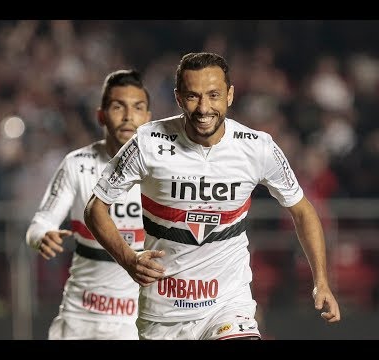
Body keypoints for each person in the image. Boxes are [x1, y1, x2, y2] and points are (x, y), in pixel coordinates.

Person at [83, 52, 341, 340]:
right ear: (178, 98)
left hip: (228, 306)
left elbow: (303, 210)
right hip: (164, 314)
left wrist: (321, 280)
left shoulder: (258, 147)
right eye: (193, 96)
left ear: (230, 95)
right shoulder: (147, 142)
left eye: (213, 95)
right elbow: (95, 208)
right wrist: (129, 259)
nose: (204, 107)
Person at [25, 69, 152, 340]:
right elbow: (40, 223)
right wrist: (41, 237)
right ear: (101, 115)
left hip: (135, 324)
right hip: (79, 320)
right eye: (118, 106)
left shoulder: (160, 172)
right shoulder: (77, 164)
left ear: (148, 118)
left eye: (138, 107)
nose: (129, 116)